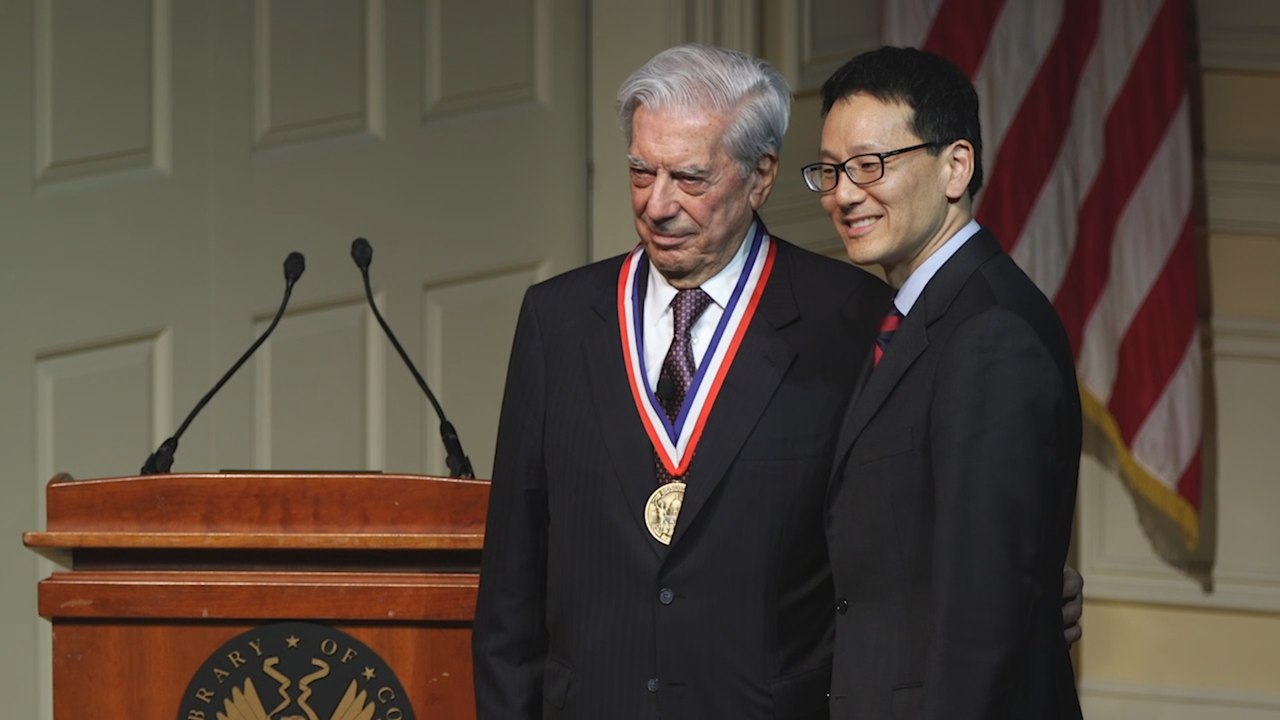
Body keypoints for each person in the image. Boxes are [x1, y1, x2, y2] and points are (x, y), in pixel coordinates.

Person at [474, 43, 1082, 720]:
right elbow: (511, 590)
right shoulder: (557, 321)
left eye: (691, 178)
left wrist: (1022, 594)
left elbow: (925, 530)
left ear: (760, 177)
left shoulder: (856, 319)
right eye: (642, 172)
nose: (658, 203)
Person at [807, 47, 1084, 718]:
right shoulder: (905, 318)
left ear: (955, 166)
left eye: (871, 166)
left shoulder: (991, 335)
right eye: (832, 171)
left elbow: (982, 623)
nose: (844, 194)